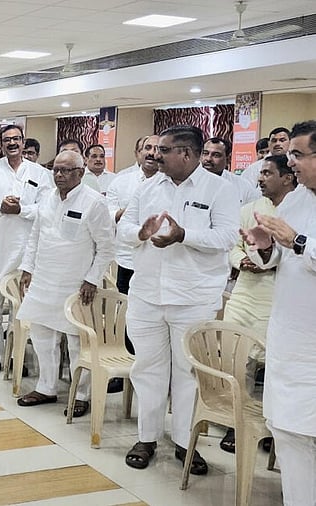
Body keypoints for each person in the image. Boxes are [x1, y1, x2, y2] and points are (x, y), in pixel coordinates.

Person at [118, 125, 239, 475]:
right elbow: (123, 228)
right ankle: (147, 438)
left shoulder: (220, 189)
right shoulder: (147, 186)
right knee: (147, 368)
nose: (155, 155)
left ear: (186, 153)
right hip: (147, 294)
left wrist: (184, 235)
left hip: (193, 297)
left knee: (188, 372)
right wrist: (139, 233)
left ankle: (186, 443)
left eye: (164, 150)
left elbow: (227, 237)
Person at [241, 120, 316, 506]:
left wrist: (297, 241)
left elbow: (300, 246)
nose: (292, 163)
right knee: (288, 432)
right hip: (290, 340)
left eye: (298, 155)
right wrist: (266, 247)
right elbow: (280, 260)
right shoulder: (297, 199)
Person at [16, 151, 114, 416]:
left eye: (66, 170)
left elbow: (106, 247)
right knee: (42, 336)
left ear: (80, 173)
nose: (59, 175)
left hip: (76, 283)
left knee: (76, 341)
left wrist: (92, 279)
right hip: (44, 280)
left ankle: (81, 394)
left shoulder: (94, 202)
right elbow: (35, 236)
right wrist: (27, 267)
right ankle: (46, 387)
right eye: (56, 170)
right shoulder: (47, 198)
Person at [218, 154, 296, 453]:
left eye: (267, 173)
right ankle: (236, 422)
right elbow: (233, 245)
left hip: (277, 296)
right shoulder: (249, 210)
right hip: (245, 292)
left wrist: (269, 259)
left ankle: (271, 425)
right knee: (239, 359)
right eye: (260, 173)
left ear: (287, 177)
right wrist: (242, 261)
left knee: (273, 364)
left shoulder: (298, 210)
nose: (260, 178)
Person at [0, 124, 53, 377]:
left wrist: (21, 210)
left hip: (25, 250)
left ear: (23, 142)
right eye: (7, 140)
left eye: (16, 139)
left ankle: (17, 356)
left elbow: (47, 209)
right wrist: (1, 208)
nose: (12, 143)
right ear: (1, 144)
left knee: (21, 307)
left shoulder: (40, 173)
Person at [104, 134, 159, 393]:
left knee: (153, 320)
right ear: (138, 153)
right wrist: (126, 214)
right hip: (127, 259)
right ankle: (125, 368)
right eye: (147, 147)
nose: (152, 152)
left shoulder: (171, 182)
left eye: (157, 148)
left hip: (157, 263)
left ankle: (150, 372)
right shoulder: (122, 181)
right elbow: (108, 212)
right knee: (127, 315)